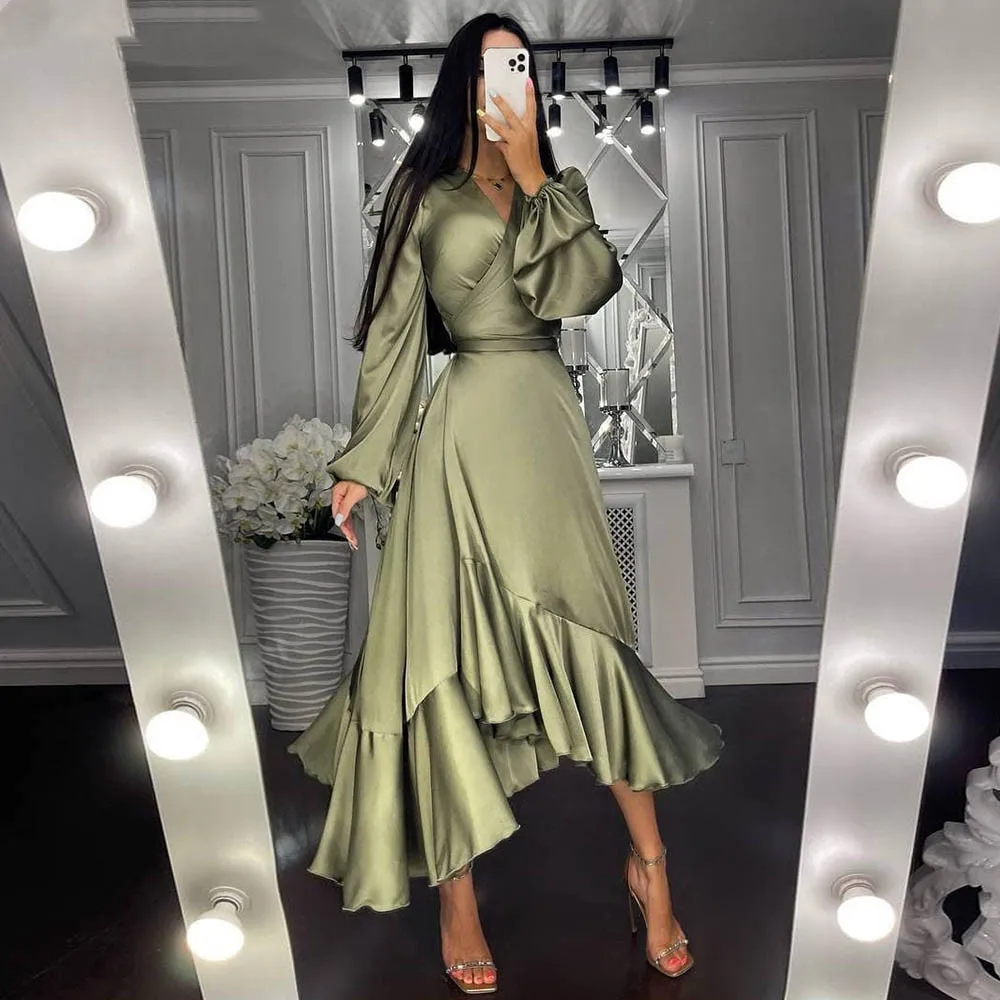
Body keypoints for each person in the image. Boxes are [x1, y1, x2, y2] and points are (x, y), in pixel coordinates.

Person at [288, 12, 724, 994]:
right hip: (460, 427)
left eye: (520, 67)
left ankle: (651, 867)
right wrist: (362, 462)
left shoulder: (555, 188)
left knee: (591, 643)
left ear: (534, 83)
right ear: (460, 82)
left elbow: (584, 290)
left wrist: (532, 172)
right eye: (491, 68)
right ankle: (459, 900)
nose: (508, 82)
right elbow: (395, 335)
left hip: (545, 424)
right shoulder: (422, 192)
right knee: (440, 656)